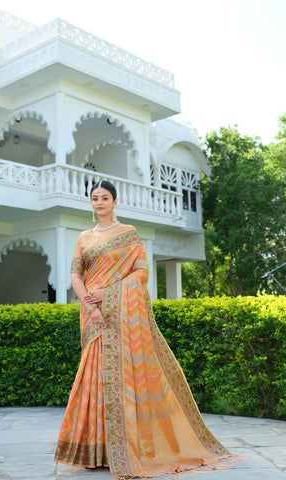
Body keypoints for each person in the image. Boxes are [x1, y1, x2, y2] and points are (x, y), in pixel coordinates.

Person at [54, 180, 240, 478]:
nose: (99, 202)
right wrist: (90, 304)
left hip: (120, 314)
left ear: (114, 202)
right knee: (93, 376)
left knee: (125, 377)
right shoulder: (84, 237)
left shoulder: (128, 234)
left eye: (104, 198)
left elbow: (141, 273)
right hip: (92, 313)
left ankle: (128, 449)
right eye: (94, 198)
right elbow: (76, 274)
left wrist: (109, 294)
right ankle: (96, 450)